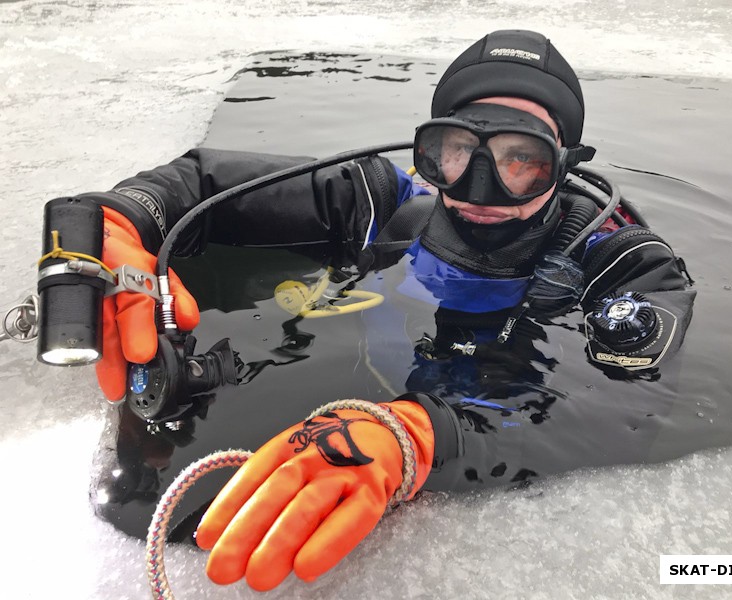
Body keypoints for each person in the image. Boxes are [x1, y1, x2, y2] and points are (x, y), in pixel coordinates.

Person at [59, 30, 695, 590]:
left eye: (519, 161)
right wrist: (114, 222)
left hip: (497, 414)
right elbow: (200, 185)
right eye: (456, 151)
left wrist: (420, 436)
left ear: (562, 165)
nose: (478, 188)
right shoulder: (385, 203)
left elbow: (628, 408)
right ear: (428, 148)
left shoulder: (618, 259)